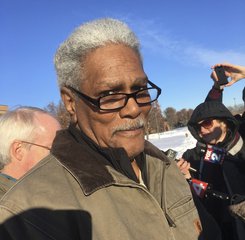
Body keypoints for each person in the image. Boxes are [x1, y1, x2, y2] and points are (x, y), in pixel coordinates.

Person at [0, 18, 219, 240]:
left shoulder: (165, 167)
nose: (134, 109)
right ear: (70, 102)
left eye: (140, 89)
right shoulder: (29, 216)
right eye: (110, 95)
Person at [179, 99, 245, 240]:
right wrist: (187, 178)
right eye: (198, 127)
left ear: (224, 122)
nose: (202, 130)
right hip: (218, 229)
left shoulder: (242, 147)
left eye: (207, 123)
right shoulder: (194, 157)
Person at [0, 106, 61, 198]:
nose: (62, 156)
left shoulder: (33, 194)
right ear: (19, 151)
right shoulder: (9, 207)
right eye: (53, 149)